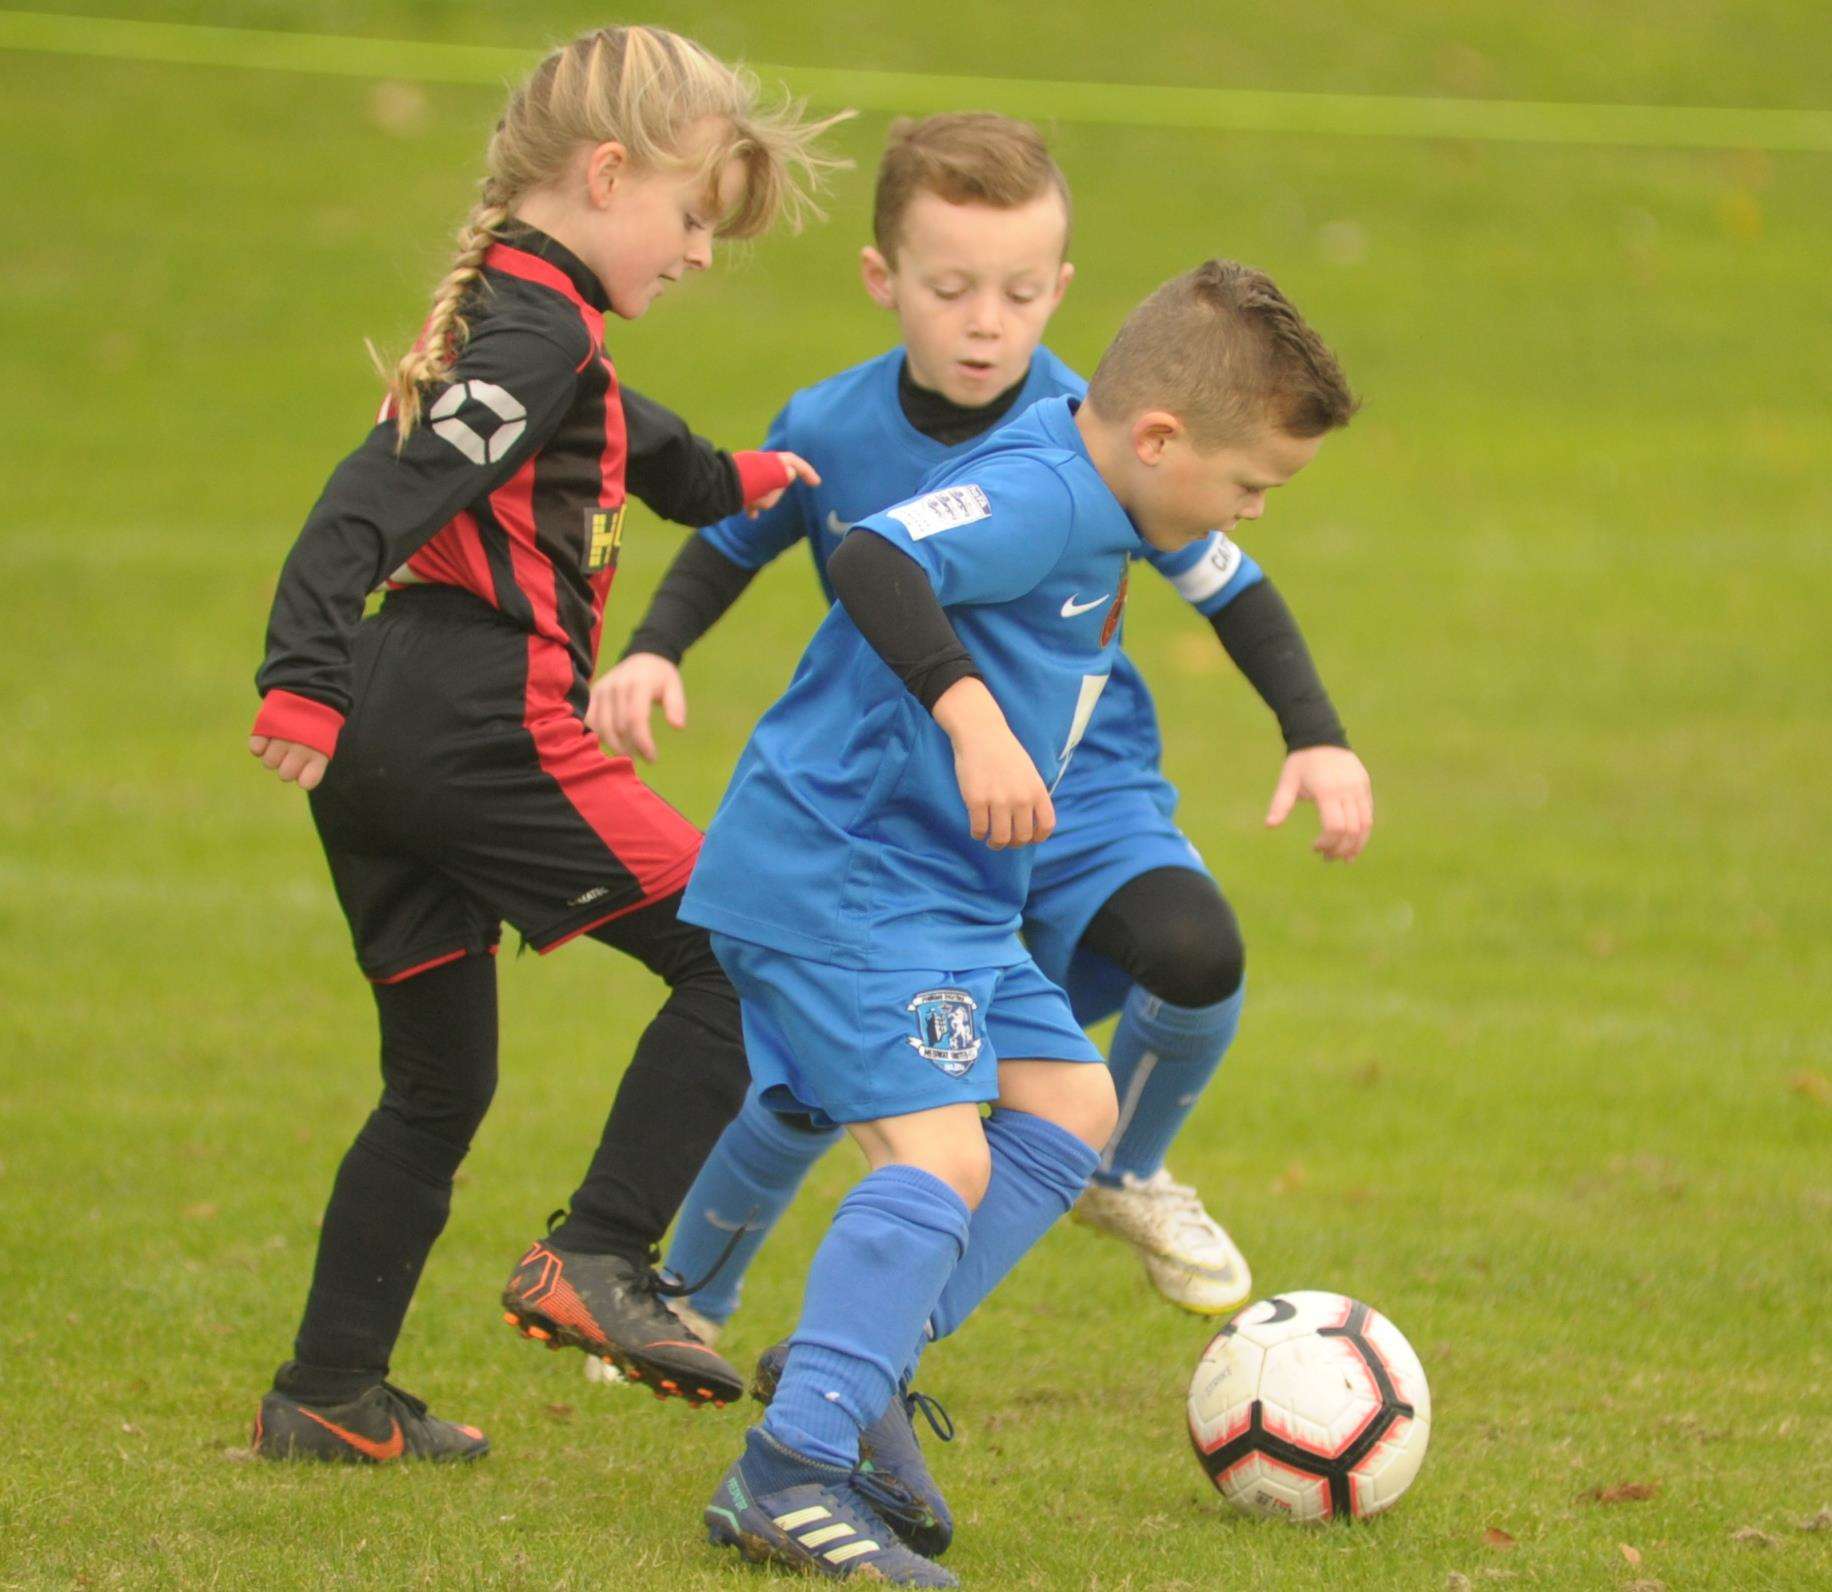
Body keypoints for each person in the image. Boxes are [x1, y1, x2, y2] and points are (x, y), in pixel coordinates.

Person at [594, 115, 1371, 1353]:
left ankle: (1110, 1175)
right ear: (882, 281)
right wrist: (649, 647)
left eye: (1017, 293)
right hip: (911, 808)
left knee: (1184, 954)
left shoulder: (1117, 424)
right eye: (950, 288)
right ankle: (685, 1295)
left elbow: (1233, 584)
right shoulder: (847, 427)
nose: (983, 321)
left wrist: (1314, 733)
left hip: (1078, 793)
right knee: (818, 1087)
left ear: (1058, 291)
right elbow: (755, 542)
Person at [685, 260, 1358, 1583]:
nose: (1249, 511)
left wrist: (1316, 735)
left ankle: (853, 1374)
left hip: (942, 890)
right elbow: (877, 552)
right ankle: (789, 1473)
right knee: (942, 1161)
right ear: (1160, 440)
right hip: (848, 875)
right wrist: (971, 709)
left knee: (1070, 1109)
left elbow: (1232, 591)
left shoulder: (1111, 493)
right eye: (1248, 486)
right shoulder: (1047, 491)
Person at [244, 24, 845, 1462]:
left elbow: (625, 432)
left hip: (391, 729)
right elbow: (369, 493)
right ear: (606, 172)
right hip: (469, 715)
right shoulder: (537, 331)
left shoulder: (529, 324)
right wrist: (295, 673)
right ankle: (602, 1252)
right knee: (750, 947)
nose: (700, 254)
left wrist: (740, 481)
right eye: (693, 218)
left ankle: (327, 1395)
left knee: (438, 1085)